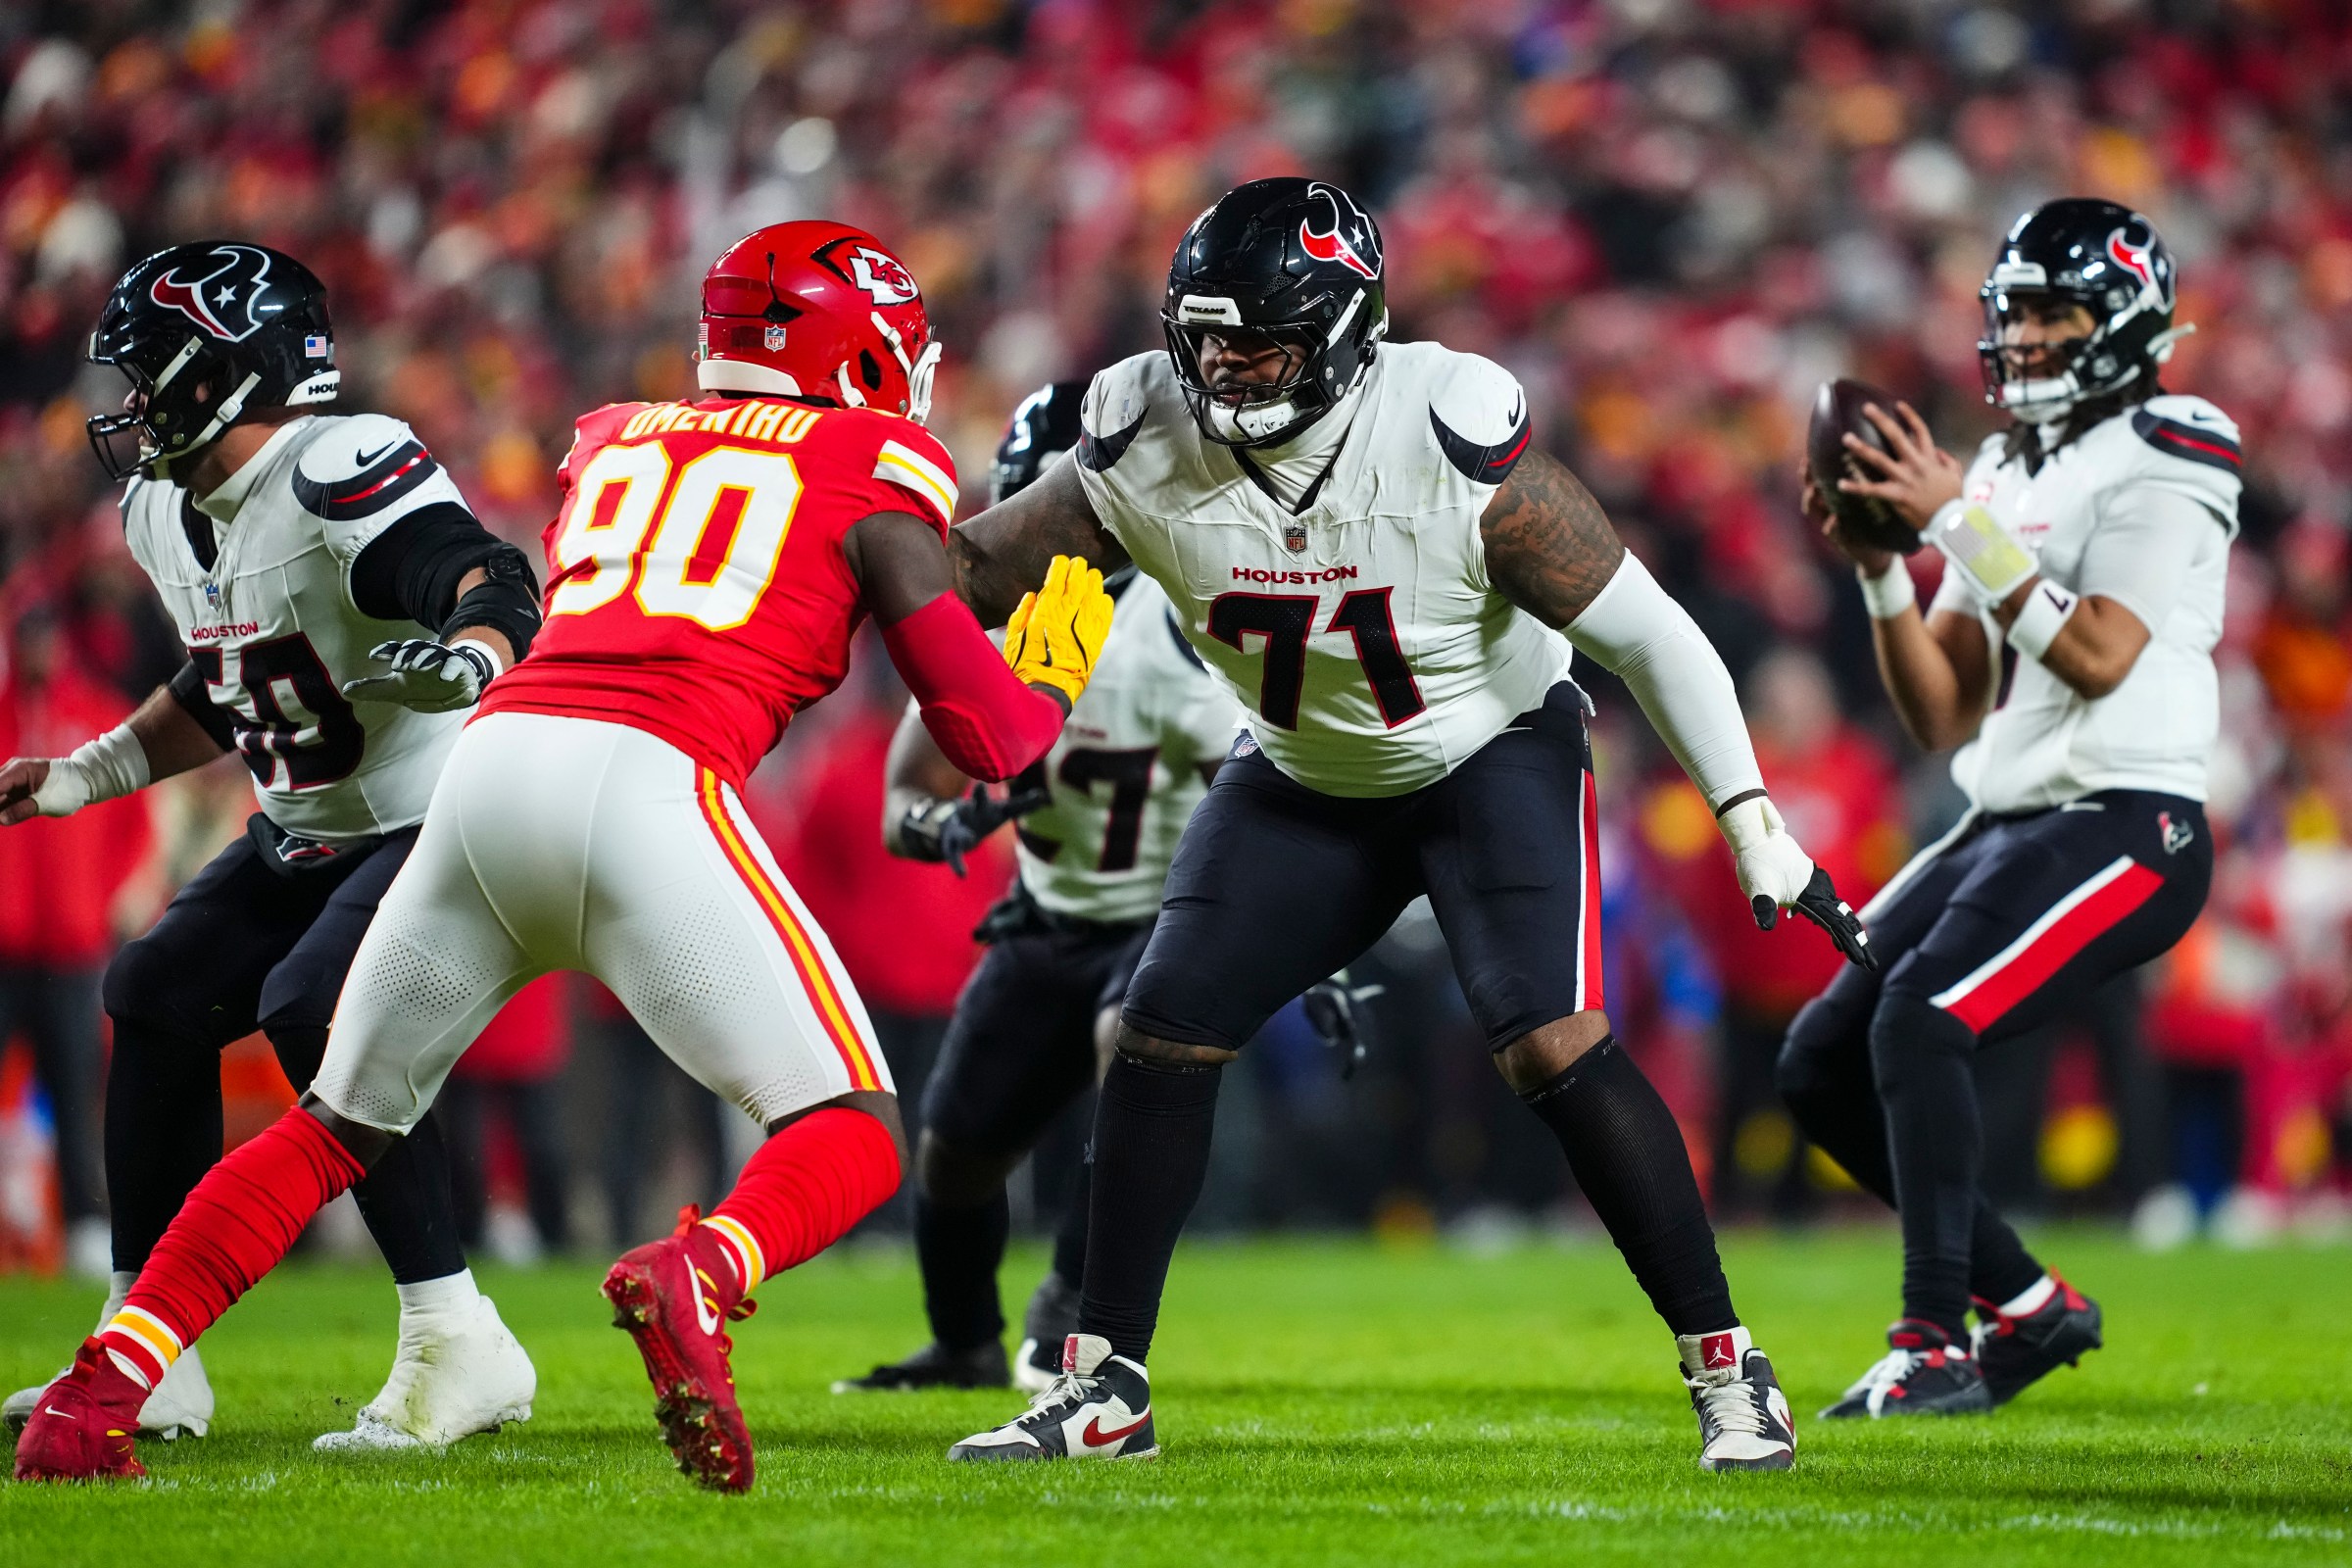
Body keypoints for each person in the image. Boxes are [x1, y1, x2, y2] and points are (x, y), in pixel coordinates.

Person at [12, 220, 1110, 1493]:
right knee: (853, 1131)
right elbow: (988, 736)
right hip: (651, 785)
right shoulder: (876, 458)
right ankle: (701, 1270)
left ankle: (103, 1387)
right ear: (864, 355)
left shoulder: (614, 435)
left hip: (492, 763)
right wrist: (1065, 636)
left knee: (331, 1127)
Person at [942, 178, 1873, 1473]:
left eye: (1257, 345)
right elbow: (979, 570)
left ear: (1342, 331)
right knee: (1160, 1032)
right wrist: (825, 550)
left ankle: (1729, 1366)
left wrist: (1749, 816)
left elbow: (1650, 632)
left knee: (1550, 1043)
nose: (1222, 371)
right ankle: (1103, 1385)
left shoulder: (1444, 433)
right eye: (1204, 342)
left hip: (1486, 753)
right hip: (1299, 772)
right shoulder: (1138, 432)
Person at [0, 242, 541, 1451]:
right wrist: (88, 772)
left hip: (431, 817)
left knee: (314, 1006)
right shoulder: (164, 508)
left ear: (224, 374)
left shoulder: (336, 463)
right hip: (309, 827)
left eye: (149, 372)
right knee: (153, 990)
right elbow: (236, 677)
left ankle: (455, 1332)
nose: (127, 404)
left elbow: (490, 577)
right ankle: (151, 1346)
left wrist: (469, 653)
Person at [1781, 198, 2234, 1417]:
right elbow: (1941, 708)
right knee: (1819, 1061)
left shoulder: (2177, 443)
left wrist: (1951, 521)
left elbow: (2099, 654)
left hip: (2130, 818)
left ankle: (1933, 1337)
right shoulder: (2001, 468)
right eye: (2014, 312)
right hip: (2005, 815)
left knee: (1921, 1021)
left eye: (2053, 313)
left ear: (2123, 322)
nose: (2024, 337)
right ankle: (2029, 1305)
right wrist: (1883, 571)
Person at [834, 380, 1240, 1395]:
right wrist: (940, 825)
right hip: (1048, 916)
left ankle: (1068, 1313)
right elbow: (906, 792)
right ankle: (965, 1341)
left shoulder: (1184, 619)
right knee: (953, 1151)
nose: (1034, 542)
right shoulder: (990, 623)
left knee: (1128, 1055)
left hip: (1158, 919)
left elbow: (1258, 787)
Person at [0, 603, 153, 1279]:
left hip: (71, 947)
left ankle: (87, 1226)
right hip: (6, 945)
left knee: (76, 1090)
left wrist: (105, 903)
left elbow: (135, 823)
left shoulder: (98, 717)